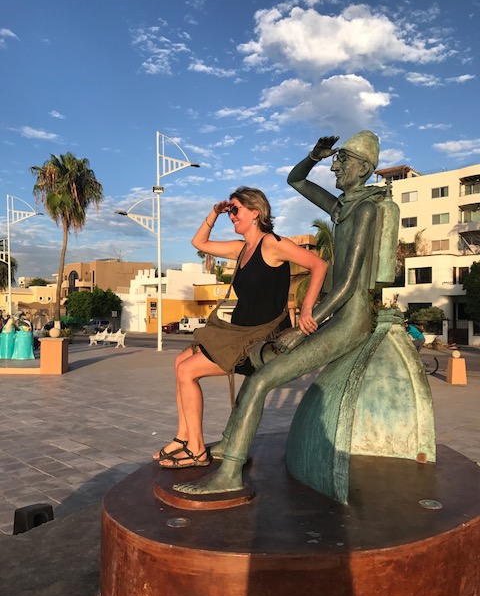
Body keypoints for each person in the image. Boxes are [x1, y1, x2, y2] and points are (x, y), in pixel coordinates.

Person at [173, 131, 391, 494]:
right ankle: (222, 444)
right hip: (278, 324)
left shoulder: (363, 210)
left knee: (257, 382)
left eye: (342, 160)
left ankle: (228, 473)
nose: (335, 167)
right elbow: (296, 180)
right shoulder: (342, 208)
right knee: (202, 368)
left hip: (346, 318)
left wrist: (306, 320)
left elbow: (345, 279)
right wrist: (314, 156)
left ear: (364, 168)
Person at [154, 186, 328, 469]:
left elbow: (319, 265)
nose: (232, 215)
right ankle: (184, 437)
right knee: (179, 362)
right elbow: (199, 242)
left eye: (235, 210)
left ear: (255, 212)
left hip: (261, 338)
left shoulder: (272, 244)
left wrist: (307, 308)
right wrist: (215, 212)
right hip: (238, 333)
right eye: (230, 211)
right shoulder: (241, 248)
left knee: (187, 371)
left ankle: (197, 451)